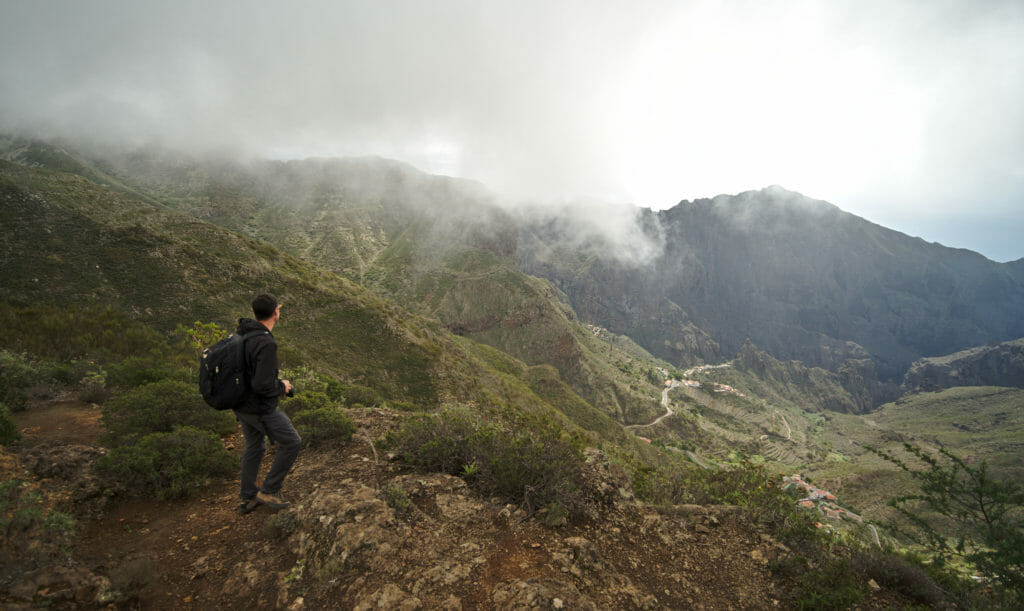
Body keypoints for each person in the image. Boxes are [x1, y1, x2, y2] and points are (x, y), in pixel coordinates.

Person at [235, 293, 301, 514]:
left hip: (241, 404)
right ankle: (269, 490)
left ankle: (247, 497)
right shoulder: (265, 343)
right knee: (292, 442)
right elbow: (262, 385)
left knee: (254, 446)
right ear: (275, 313)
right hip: (259, 408)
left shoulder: (244, 334)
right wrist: (283, 387)